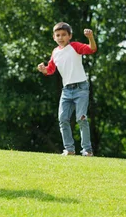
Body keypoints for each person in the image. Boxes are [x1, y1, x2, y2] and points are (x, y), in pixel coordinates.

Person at [37, 22, 97, 156]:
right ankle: (69, 149)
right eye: (58, 35)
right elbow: (50, 70)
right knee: (63, 119)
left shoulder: (74, 47)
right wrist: (43, 70)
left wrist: (90, 37)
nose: (61, 37)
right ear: (54, 37)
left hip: (81, 88)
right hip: (66, 91)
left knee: (81, 118)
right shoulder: (55, 52)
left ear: (69, 36)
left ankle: (87, 150)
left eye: (64, 35)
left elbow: (92, 49)